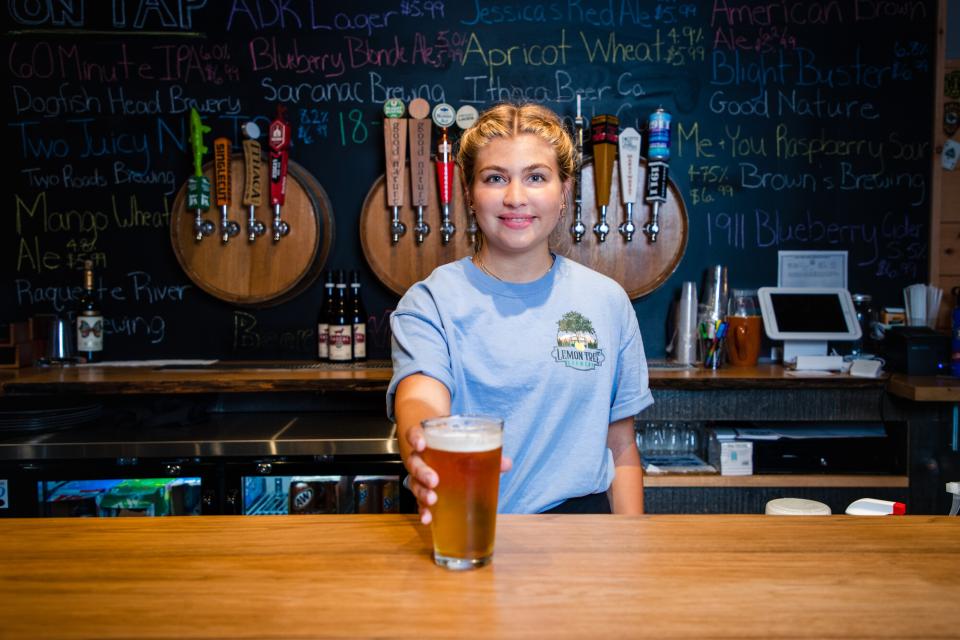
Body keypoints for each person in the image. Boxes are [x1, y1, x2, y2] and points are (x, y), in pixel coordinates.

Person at [387, 103, 653, 520]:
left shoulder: (607, 301)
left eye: (536, 177)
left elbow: (620, 446)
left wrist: (632, 549)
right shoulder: (432, 301)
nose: (515, 197)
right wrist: (423, 446)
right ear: (469, 193)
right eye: (495, 178)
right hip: (466, 525)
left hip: (584, 538)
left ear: (564, 191)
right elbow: (420, 397)